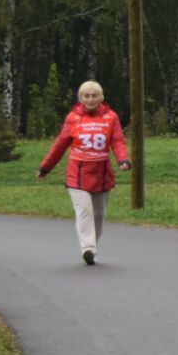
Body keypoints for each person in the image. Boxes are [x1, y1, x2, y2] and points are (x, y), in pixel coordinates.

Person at [36, 80, 132, 266]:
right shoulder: (73, 118)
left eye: (94, 95)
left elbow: (118, 141)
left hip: (102, 175)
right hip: (77, 175)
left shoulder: (111, 117)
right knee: (84, 211)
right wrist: (45, 167)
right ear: (80, 99)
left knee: (99, 215)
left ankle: (92, 248)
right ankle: (87, 247)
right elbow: (60, 144)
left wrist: (123, 160)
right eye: (86, 96)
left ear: (101, 97)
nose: (90, 99)